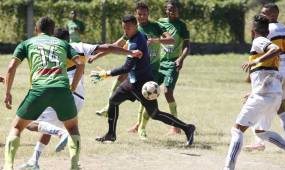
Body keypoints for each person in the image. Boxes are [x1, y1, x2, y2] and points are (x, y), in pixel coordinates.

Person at [17, 28, 143, 170]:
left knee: (30, 123)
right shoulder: (79, 47)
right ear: (68, 39)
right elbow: (108, 47)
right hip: (79, 99)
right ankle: (53, 162)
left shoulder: (53, 50)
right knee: (63, 128)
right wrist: (130, 52)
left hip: (63, 94)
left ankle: (59, 135)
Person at [91, 15, 195, 146]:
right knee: (113, 101)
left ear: (135, 26)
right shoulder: (138, 35)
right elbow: (118, 48)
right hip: (131, 82)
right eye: (124, 28)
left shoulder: (136, 43)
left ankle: (187, 128)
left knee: (155, 114)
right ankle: (111, 134)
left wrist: (105, 73)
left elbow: (126, 67)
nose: (125, 31)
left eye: (128, 28)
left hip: (143, 83)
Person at [3, 17, 84, 170]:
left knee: (17, 127)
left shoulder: (26, 44)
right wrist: (72, 87)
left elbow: (11, 68)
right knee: (72, 128)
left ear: (36, 29)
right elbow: (80, 63)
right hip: (61, 89)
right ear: (52, 31)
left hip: (39, 89)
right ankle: (74, 165)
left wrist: (7, 93)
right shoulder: (63, 43)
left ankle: (8, 166)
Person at [223, 15, 285, 170]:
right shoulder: (264, 42)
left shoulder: (259, 41)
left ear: (253, 31)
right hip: (273, 94)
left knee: (237, 130)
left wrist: (254, 61)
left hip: (264, 95)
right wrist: (252, 92)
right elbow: (267, 72)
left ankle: (228, 168)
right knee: (261, 131)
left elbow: (275, 49)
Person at [93, 1, 175, 140]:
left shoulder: (155, 26)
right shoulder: (132, 28)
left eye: (144, 14)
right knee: (120, 81)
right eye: (139, 14)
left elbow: (171, 40)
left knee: (148, 98)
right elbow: (115, 45)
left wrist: (155, 41)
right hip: (134, 67)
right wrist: (96, 56)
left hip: (151, 69)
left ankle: (141, 128)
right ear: (136, 15)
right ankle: (109, 108)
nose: (142, 16)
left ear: (148, 14)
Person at [244, 3, 285, 151]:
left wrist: (253, 68)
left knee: (257, 105)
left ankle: (259, 142)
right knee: (282, 109)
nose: (262, 15)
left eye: (265, 13)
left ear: (273, 14)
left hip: (272, 73)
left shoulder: (267, 30)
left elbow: (263, 52)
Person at [157, 0, 190, 134]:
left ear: (178, 10)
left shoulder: (182, 26)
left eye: (175, 9)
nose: (172, 12)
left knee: (167, 92)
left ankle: (176, 126)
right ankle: (139, 125)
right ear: (166, 10)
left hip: (172, 63)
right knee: (148, 91)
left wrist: (181, 59)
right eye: (170, 9)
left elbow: (187, 46)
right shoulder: (160, 22)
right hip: (159, 62)